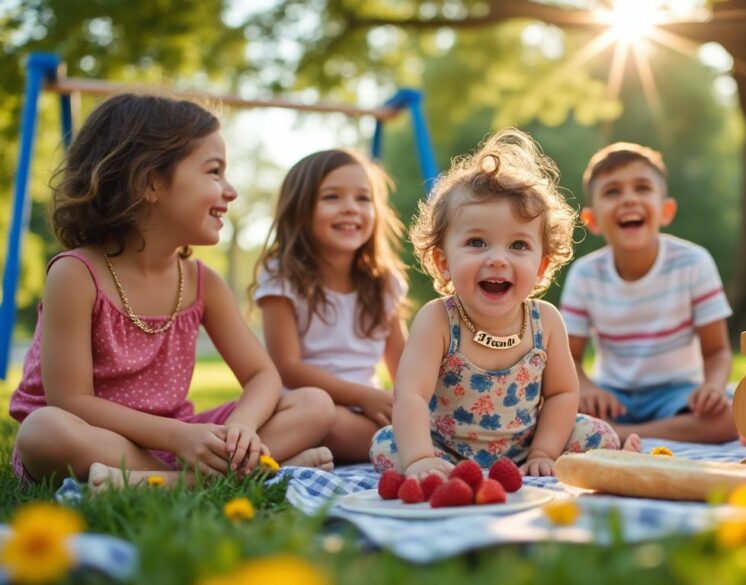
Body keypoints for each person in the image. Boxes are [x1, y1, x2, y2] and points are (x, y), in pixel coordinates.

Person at [8, 93, 335, 487]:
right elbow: (72, 402)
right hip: (99, 438)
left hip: (181, 438)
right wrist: (178, 437)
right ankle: (208, 478)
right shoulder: (76, 274)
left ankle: (160, 480)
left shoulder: (202, 282)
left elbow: (263, 374)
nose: (230, 190)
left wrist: (241, 429)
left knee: (313, 404)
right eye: (214, 172)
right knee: (43, 431)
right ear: (150, 183)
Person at [370, 128, 639, 478]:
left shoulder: (546, 322)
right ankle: (437, 466)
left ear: (542, 266)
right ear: (443, 262)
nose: (498, 259)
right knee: (387, 445)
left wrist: (544, 451)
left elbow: (561, 394)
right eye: (477, 242)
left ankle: (615, 457)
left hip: (527, 447)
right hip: (446, 449)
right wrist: (420, 458)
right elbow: (410, 395)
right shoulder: (438, 320)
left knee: (598, 432)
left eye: (518, 246)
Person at [559, 142, 738, 444]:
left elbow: (717, 351)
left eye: (642, 188)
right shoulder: (584, 274)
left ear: (666, 211)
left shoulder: (693, 262)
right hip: (613, 397)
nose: (629, 199)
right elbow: (569, 358)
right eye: (612, 192)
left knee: (731, 418)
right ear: (593, 221)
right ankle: (640, 430)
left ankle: (622, 435)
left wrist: (714, 387)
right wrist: (588, 389)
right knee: (554, 408)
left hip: (677, 393)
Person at [253, 149, 408, 463]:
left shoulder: (384, 284)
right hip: (308, 406)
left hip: (367, 410)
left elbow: (405, 364)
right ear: (300, 209)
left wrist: (414, 404)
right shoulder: (283, 278)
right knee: (329, 419)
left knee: (427, 427)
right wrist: (362, 396)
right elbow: (287, 367)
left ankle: (292, 458)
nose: (350, 209)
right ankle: (277, 453)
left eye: (363, 199)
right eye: (332, 197)